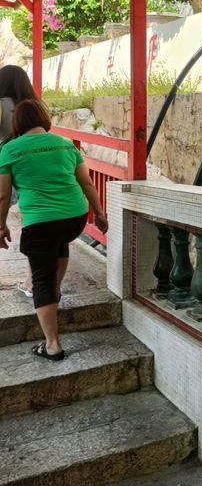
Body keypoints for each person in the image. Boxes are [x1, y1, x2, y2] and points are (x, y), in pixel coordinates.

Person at [0, 99, 108, 361]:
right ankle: (54, 291)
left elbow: (3, 196)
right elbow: (88, 184)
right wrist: (100, 214)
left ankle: (52, 345)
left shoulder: (10, 150)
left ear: (17, 123)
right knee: (59, 242)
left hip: (41, 221)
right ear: (43, 118)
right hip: (75, 218)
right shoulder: (65, 143)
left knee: (41, 280)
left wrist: (0, 226)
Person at [0, 64, 39, 297]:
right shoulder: (35, 107)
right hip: (31, 170)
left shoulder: (2, 106)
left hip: (5, 168)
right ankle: (33, 281)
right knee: (33, 225)